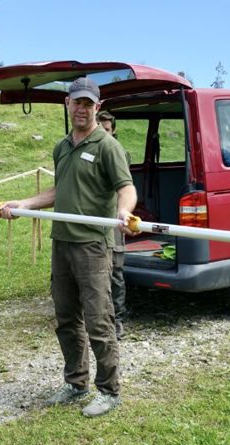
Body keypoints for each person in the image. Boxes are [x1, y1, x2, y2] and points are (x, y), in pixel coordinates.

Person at [0, 77, 137, 418]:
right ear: (67, 103)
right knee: (65, 318)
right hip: (62, 241)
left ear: (97, 107)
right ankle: (76, 383)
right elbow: (59, 191)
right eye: (77, 102)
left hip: (92, 244)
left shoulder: (108, 146)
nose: (82, 108)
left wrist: (124, 211)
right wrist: (26, 203)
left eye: (89, 104)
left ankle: (109, 390)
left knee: (98, 320)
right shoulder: (62, 148)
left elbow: (126, 187)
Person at [97, 111, 129, 341]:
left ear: (113, 131)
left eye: (106, 129)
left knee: (115, 271)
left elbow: (123, 189)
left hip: (114, 220)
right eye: (100, 128)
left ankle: (117, 319)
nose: (103, 133)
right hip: (91, 222)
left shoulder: (118, 153)